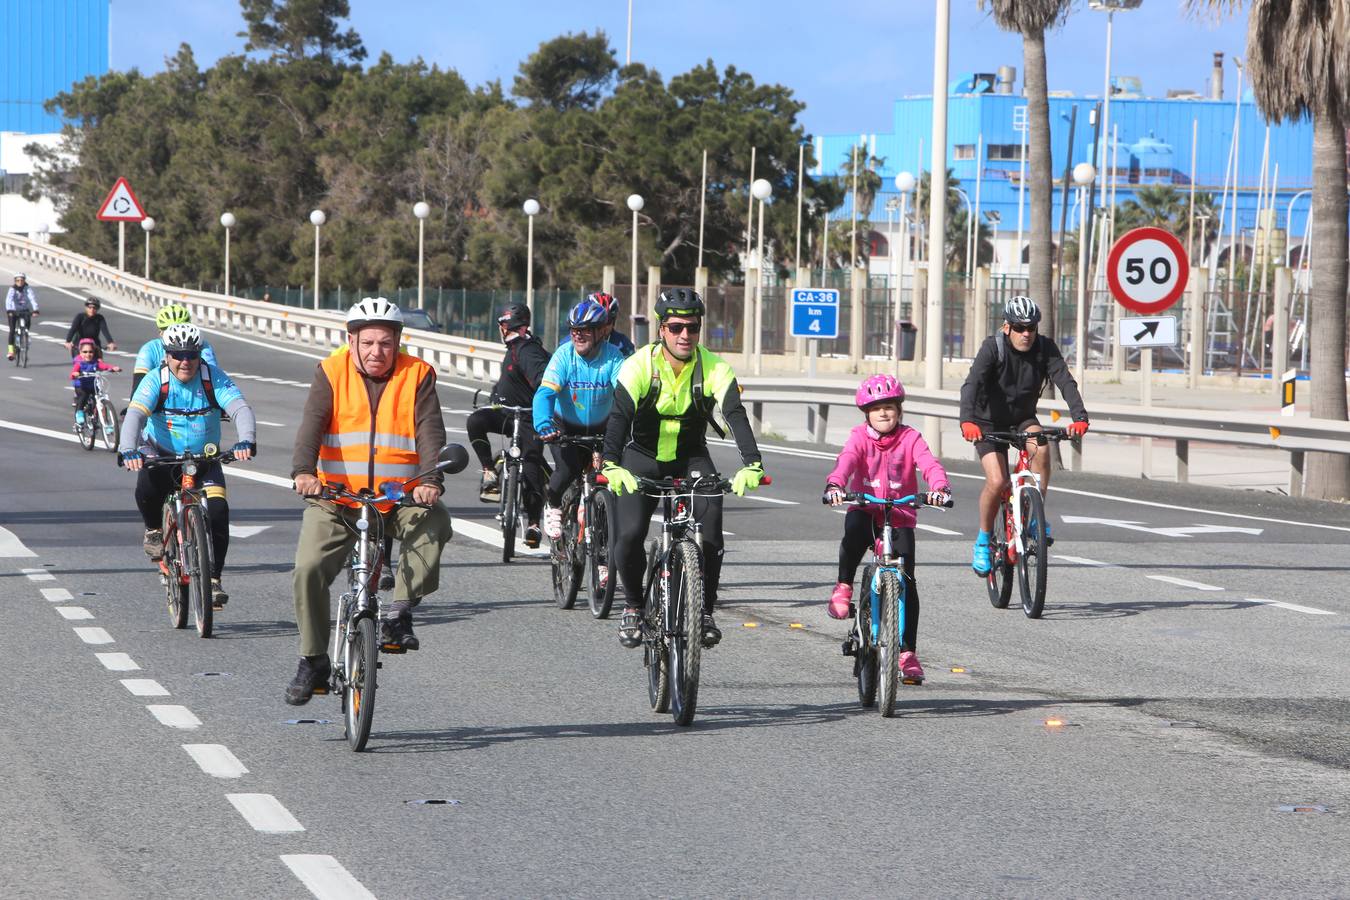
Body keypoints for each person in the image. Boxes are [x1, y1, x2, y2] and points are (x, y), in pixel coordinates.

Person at [285, 297, 453, 706]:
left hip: (397, 497)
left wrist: (429, 480)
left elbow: (430, 432)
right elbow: (312, 425)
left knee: (435, 523)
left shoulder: (418, 375)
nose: (377, 351)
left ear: (397, 342)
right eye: (368, 343)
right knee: (308, 568)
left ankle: (398, 611)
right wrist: (304, 472)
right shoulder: (330, 372)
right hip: (336, 498)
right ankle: (313, 660)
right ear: (351, 341)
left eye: (385, 343)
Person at [602, 288, 766, 650]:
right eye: (676, 327)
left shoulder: (715, 367)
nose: (685, 336)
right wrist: (611, 464)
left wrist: (752, 464)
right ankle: (632, 604)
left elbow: (735, 415)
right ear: (661, 329)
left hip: (691, 457)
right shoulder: (638, 366)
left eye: (692, 328)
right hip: (641, 456)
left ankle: (704, 611)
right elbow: (618, 418)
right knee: (629, 535)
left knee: (711, 530)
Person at [822, 374, 951, 684]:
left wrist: (940, 487)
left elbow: (929, 464)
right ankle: (843, 586)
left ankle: (907, 653)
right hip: (865, 508)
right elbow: (847, 461)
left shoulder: (911, 438)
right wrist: (836, 484)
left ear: (899, 410)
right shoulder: (858, 437)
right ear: (866, 412)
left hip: (899, 514)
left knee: (907, 579)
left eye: (890, 407)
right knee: (854, 531)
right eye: (876, 408)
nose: (883, 413)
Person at [118, 323, 256, 608]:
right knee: (146, 483)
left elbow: (240, 408)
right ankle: (155, 529)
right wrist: (127, 449)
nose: (185, 362)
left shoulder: (212, 378)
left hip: (205, 460)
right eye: (178, 355)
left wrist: (246, 441)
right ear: (167, 355)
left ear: (199, 355)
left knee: (218, 510)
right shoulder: (157, 380)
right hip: (163, 454)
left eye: (191, 355)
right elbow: (135, 415)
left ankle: (214, 579)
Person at [959, 295, 1089, 576]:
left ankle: (1034, 518)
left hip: (1022, 419)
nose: (1026, 334)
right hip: (987, 422)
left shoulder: (1045, 348)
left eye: (1031, 328)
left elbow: (1065, 381)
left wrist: (1079, 417)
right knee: (998, 480)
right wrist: (967, 421)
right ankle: (983, 540)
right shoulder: (992, 349)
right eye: (1020, 328)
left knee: (1042, 447)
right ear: (1007, 327)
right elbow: (971, 385)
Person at [533, 297, 626, 542]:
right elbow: (545, 393)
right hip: (564, 427)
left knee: (613, 479)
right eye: (574, 330)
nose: (577, 336)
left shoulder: (614, 357)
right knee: (568, 469)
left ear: (600, 332)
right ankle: (553, 504)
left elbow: (626, 396)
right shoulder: (564, 356)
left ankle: (604, 556)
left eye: (584, 331)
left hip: (602, 429)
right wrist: (543, 423)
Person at [465, 301, 550, 548]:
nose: (500, 328)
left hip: (528, 418)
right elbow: (510, 380)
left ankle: (534, 525)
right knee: (476, 421)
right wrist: (496, 394)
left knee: (532, 465)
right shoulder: (514, 347)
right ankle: (489, 471)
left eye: (502, 324)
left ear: (509, 325)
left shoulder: (528, 350)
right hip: (506, 413)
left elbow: (541, 379)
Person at [132, 305, 219, 397]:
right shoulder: (149, 349)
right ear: (160, 333)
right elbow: (138, 387)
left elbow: (214, 377)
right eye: (170, 330)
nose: (177, 335)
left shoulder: (202, 346)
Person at [70, 338, 122, 420]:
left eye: (90, 352)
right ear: (80, 352)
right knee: (83, 396)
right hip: (81, 386)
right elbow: (73, 374)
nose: (88, 354)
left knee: (99, 397)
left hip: (93, 385)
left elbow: (104, 366)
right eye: (85, 352)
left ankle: (104, 420)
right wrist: (76, 374)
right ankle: (79, 413)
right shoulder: (79, 363)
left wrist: (113, 368)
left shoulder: (95, 362)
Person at [6, 272, 38, 360]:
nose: (20, 282)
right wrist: (9, 310)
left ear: (24, 281)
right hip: (13, 311)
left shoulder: (27, 289)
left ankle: (24, 338)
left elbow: (32, 298)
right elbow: (9, 299)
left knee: (27, 327)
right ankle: (11, 351)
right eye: (18, 280)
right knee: (12, 330)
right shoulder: (12, 289)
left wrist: (35, 309)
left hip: (24, 310)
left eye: (22, 280)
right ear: (15, 281)